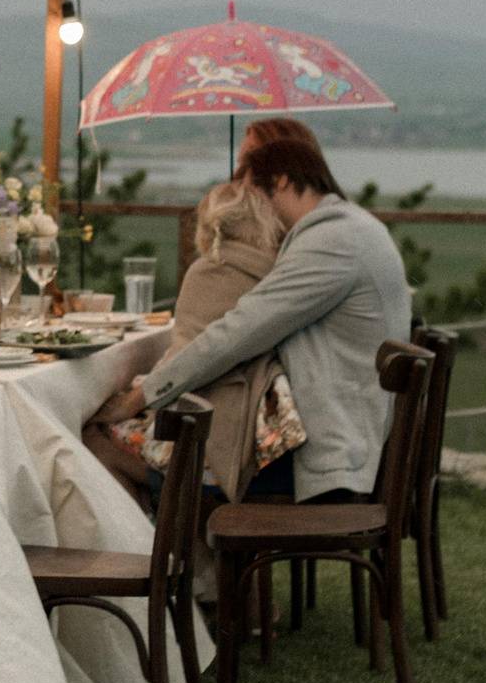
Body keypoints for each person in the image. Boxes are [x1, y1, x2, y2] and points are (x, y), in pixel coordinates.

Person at [133, 137, 410, 502]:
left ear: (279, 181)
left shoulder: (331, 241)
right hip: (347, 441)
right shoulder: (351, 227)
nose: (249, 209)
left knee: (113, 450)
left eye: (251, 194)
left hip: (329, 459)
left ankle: (165, 553)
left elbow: (241, 331)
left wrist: (144, 395)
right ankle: (195, 557)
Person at [89, 181, 301, 502]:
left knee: (92, 438)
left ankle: (155, 543)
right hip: (273, 450)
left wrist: (133, 399)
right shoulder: (279, 275)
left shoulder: (207, 271)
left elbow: (184, 360)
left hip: (210, 455)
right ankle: (175, 538)